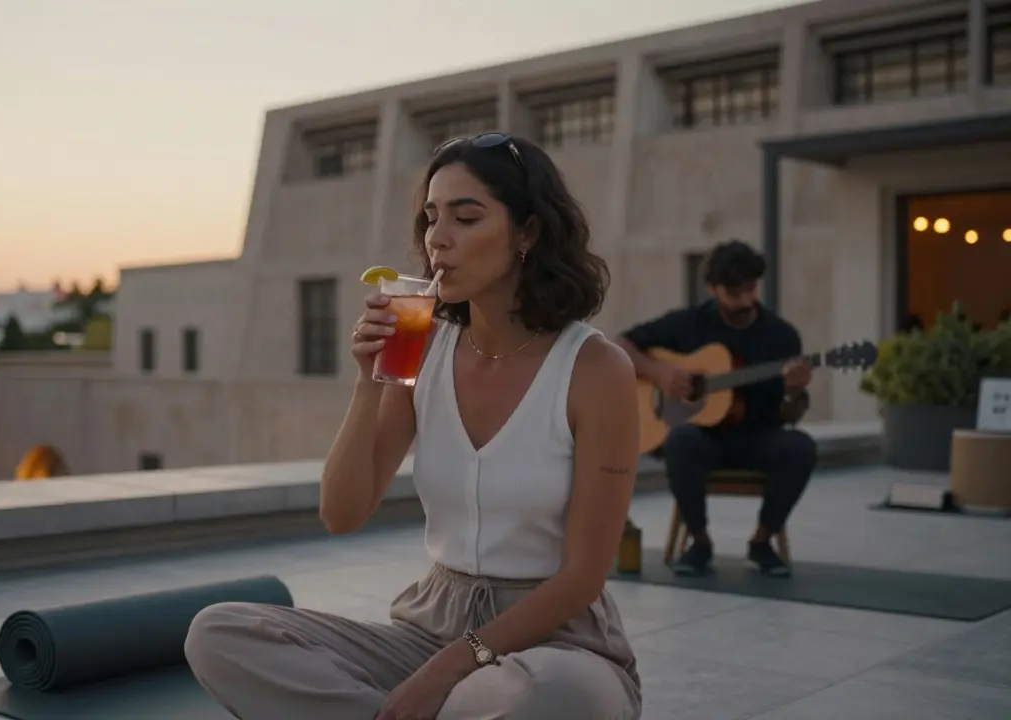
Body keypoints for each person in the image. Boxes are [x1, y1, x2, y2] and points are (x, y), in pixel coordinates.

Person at [185, 133, 643, 719]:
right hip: (430, 625)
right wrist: (368, 379)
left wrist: (452, 667)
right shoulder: (420, 346)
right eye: (431, 218)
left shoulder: (595, 368)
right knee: (220, 633)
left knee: (530, 694)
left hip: (556, 644)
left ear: (527, 232)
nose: (437, 239)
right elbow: (341, 512)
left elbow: (583, 576)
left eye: (465, 217)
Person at [617, 240, 816, 578]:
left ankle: (761, 542)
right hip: (703, 440)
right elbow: (621, 345)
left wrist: (794, 392)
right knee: (681, 441)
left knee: (801, 448)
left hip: (759, 436)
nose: (746, 300)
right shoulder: (690, 323)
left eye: (751, 289)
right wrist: (660, 372)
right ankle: (700, 543)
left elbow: (790, 416)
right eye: (735, 292)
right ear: (713, 289)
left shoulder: (781, 337)